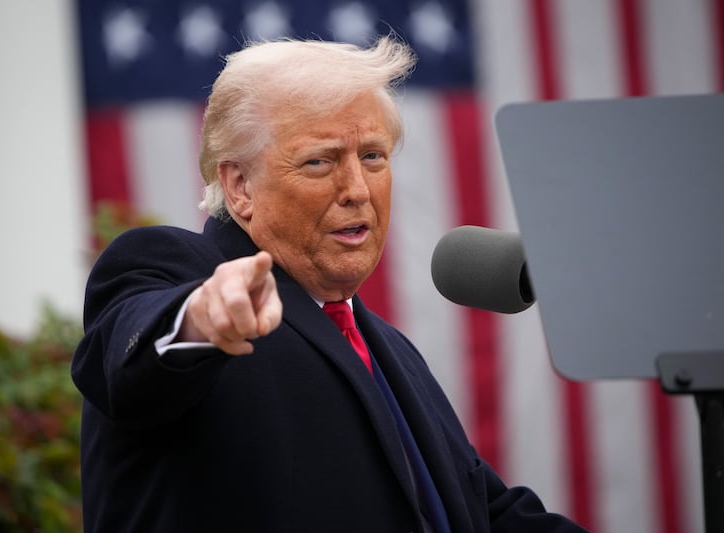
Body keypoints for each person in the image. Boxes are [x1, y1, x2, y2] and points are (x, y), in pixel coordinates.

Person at [72, 36, 588, 533]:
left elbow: (481, 513)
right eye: (320, 161)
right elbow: (129, 357)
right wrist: (199, 322)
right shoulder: (175, 271)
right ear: (239, 186)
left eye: (373, 156)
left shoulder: (392, 351)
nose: (358, 190)